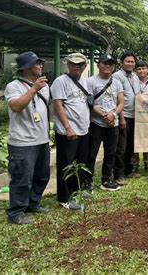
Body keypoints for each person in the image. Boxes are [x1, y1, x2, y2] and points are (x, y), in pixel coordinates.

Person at [4, 52, 50, 225]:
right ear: (28, 67)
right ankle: (16, 212)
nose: (40, 66)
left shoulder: (44, 86)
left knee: (41, 175)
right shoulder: (13, 86)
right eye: (38, 63)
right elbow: (16, 106)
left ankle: (33, 203)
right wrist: (33, 89)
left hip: (42, 139)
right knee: (22, 178)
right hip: (22, 141)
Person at [51, 52, 90, 210]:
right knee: (66, 164)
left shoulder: (85, 82)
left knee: (80, 163)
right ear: (67, 65)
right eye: (73, 64)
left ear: (84, 66)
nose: (76, 66)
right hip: (68, 131)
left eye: (80, 64)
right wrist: (68, 127)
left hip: (83, 129)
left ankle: (76, 191)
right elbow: (58, 105)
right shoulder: (60, 82)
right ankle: (63, 198)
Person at [86, 54, 124, 191]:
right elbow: (89, 103)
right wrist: (104, 115)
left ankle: (106, 180)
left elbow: (121, 103)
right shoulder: (90, 82)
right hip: (96, 123)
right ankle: (87, 181)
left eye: (110, 64)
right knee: (91, 153)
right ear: (98, 65)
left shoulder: (117, 82)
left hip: (113, 124)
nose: (107, 66)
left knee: (110, 153)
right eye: (104, 63)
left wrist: (113, 114)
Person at [113, 51, 140, 185]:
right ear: (122, 62)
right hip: (124, 116)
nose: (130, 64)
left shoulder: (135, 76)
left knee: (131, 145)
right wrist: (121, 118)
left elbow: (138, 94)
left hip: (136, 115)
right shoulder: (116, 76)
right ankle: (119, 173)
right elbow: (118, 99)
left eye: (132, 62)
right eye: (128, 61)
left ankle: (129, 170)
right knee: (121, 147)